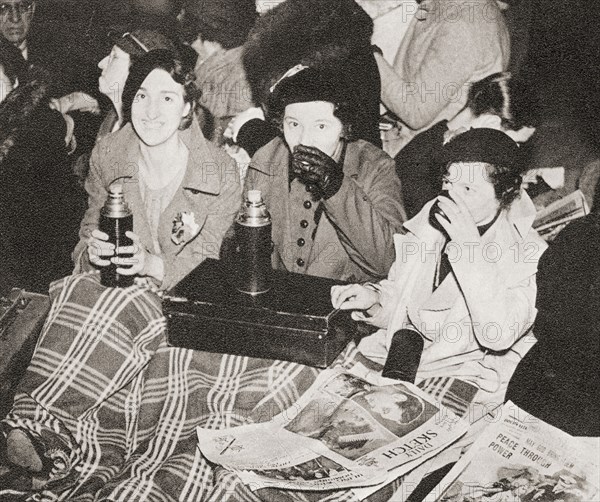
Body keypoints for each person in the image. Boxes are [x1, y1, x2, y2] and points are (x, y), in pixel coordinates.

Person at [0, 49, 240, 499]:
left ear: (188, 107)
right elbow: (87, 228)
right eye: (142, 96)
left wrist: (152, 266)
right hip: (107, 291)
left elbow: (214, 263)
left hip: (179, 304)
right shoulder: (110, 153)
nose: (151, 111)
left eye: (167, 98)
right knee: (75, 286)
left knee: (121, 301)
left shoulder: (220, 172)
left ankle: (43, 428)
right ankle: (39, 430)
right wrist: (92, 250)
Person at [332, 128, 547, 417]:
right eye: (448, 183)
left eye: (468, 190)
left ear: (506, 193)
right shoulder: (433, 217)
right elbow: (404, 299)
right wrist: (374, 300)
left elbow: (498, 335)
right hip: (403, 357)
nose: (450, 198)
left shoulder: (531, 253)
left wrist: (469, 248)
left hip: (466, 374)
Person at [244, 66, 406, 281]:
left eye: (321, 126)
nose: (304, 140)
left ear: (344, 127)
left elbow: (390, 262)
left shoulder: (374, 166)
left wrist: (337, 188)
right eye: (293, 124)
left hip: (346, 303)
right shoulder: (267, 160)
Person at [506, 178, 600, 437]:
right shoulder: (579, 237)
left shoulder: (577, 233)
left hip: (541, 389)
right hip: (563, 398)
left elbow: (547, 323)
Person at [373, 0, 510, 156]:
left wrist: (366, 52)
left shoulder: (464, 25)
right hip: (408, 145)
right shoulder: (463, 10)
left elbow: (415, 110)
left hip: (412, 157)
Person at [397, 72, 537, 218]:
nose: (515, 151)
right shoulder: (427, 170)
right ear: (491, 124)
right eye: (516, 143)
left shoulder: (437, 145)